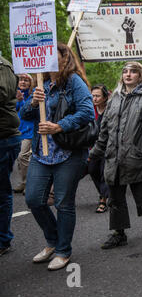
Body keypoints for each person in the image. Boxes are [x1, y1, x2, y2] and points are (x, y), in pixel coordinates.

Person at [20, 42, 95, 270]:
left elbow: (87, 112)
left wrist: (59, 126)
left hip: (69, 153)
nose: (48, 58)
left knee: (63, 203)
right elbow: (25, 114)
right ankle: (53, 241)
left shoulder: (74, 82)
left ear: (65, 59)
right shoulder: (41, 83)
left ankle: (63, 250)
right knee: (33, 199)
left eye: (54, 54)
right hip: (42, 153)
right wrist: (33, 101)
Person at [89, 61, 142, 249]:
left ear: (140, 76)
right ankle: (119, 234)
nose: (128, 75)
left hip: (135, 156)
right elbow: (105, 130)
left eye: (133, 72)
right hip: (113, 157)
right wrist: (96, 152)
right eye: (125, 71)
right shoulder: (114, 98)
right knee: (115, 198)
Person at [0, 55, 21, 256]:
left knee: (1, 192)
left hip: (4, 138)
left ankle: (2, 240)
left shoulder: (2, 65)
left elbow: (3, 93)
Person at [88, 84, 110, 213]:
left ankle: (103, 199)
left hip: (108, 147)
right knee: (92, 169)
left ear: (105, 97)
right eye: (93, 96)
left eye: (97, 96)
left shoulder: (110, 110)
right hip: (94, 147)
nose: (94, 99)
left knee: (105, 172)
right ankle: (103, 193)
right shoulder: (90, 110)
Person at [13, 73, 35, 195]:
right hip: (17, 130)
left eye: (26, 80)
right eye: (21, 80)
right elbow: (13, 109)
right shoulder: (14, 94)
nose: (23, 82)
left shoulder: (32, 94)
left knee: (23, 156)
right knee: (19, 158)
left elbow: (27, 111)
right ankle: (23, 182)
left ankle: (29, 183)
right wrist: (17, 100)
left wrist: (21, 101)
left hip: (29, 131)